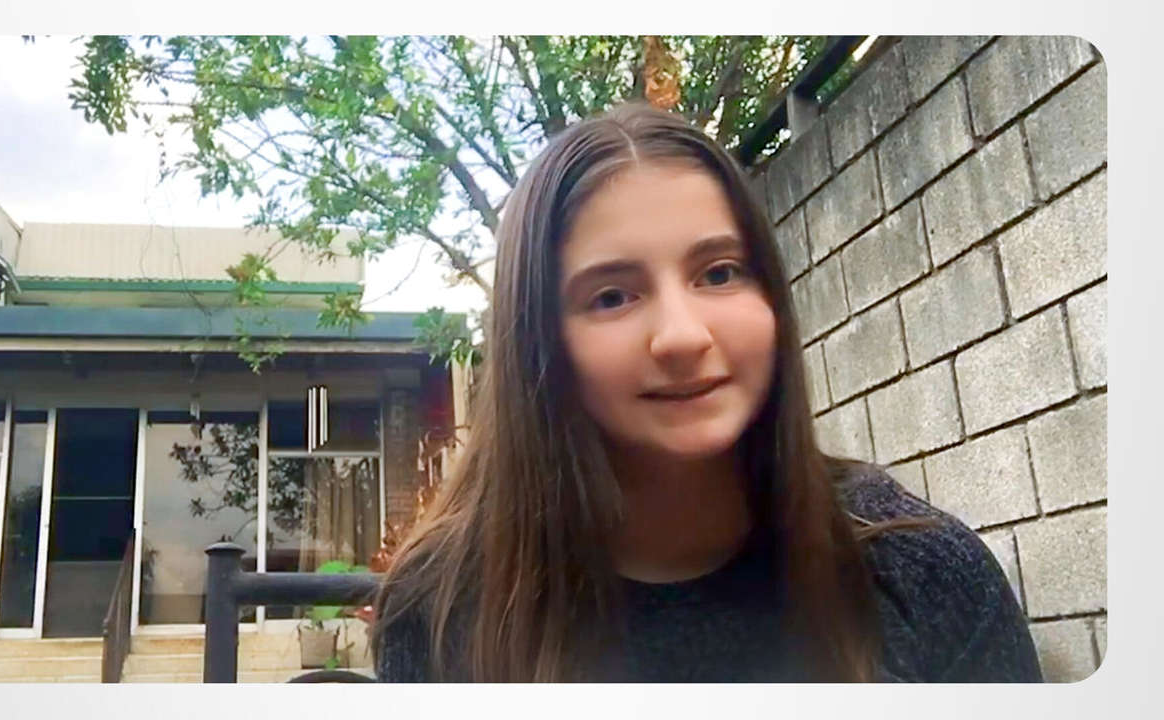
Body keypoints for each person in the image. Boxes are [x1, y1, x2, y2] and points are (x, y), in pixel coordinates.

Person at [369, 103, 1042, 683]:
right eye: (612, 296)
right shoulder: (439, 609)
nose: (683, 336)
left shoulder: (922, 574)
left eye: (719, 274)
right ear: (537, 341)